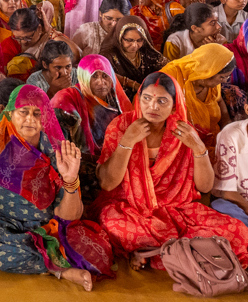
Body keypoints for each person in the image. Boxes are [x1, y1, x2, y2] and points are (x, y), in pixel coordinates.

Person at [0, 85, 113, 290]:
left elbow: (69, 216)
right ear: (9, 114)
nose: (30, 119)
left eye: (36, 113)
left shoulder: (57, 151)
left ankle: (42, 255)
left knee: (98, 248)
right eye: (23, 112)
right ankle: (56, 266)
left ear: (45, 119)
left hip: (47, 229)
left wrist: (70, 179)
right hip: (0, 226)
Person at [96, 72, 248, 269]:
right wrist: (127, 142)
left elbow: (205, 186)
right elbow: (108, 183)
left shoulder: (183, 132)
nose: (153, 106)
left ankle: (154, 252)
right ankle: (184, 252)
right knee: (115, 226)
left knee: (238, 231)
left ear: (175, 105)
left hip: (178, 210)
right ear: (138, 99)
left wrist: (199, 149)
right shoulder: (122, 126)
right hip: (130, 209)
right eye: (147, 99)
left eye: (162, 101)